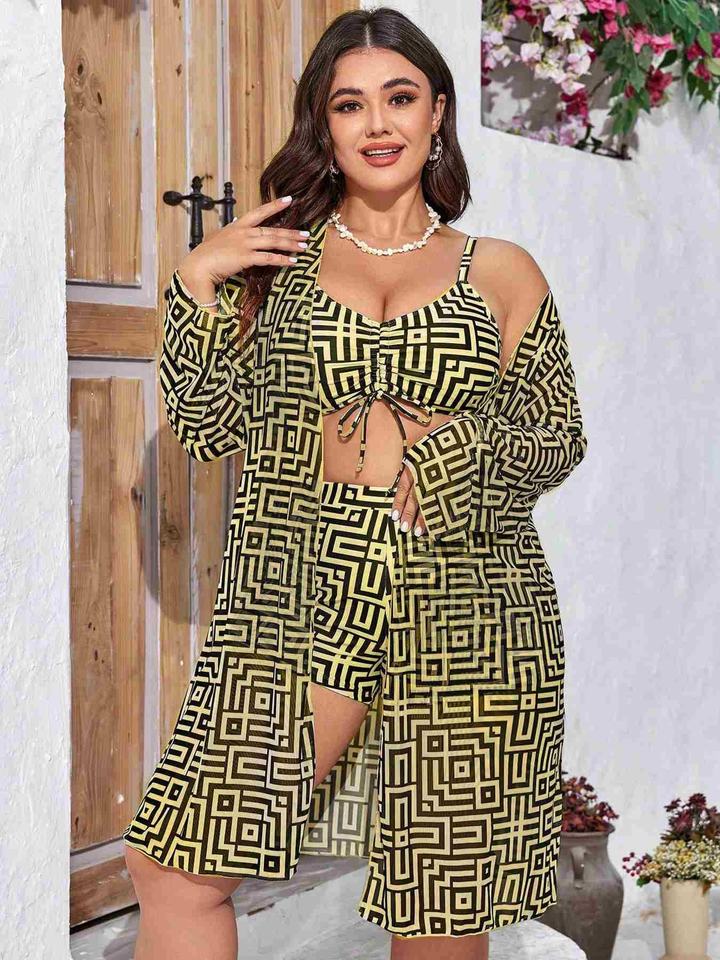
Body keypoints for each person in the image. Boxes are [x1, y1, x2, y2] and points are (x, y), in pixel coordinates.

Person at [122, 7, 588, 960]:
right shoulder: (277, 264)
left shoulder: (501, 271)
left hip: (467, 598)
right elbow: (209, 427)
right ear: (323, 124)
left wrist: (462, 449)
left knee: (440, 904)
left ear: (438, 112)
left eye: (400, 97)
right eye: (349, 104)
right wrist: (197, 285)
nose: (377, 123)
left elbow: (558, 436)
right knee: (176, 867)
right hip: (310, 589)